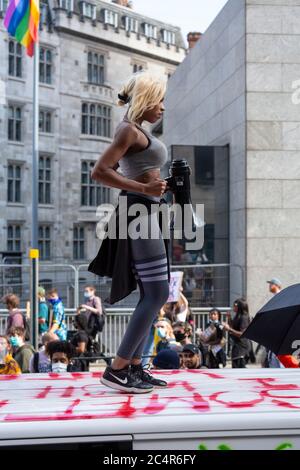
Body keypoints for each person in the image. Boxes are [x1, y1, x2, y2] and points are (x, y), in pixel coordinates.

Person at [89, 72, 170, 393]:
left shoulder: (136, 131)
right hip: (138, 213)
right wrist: (144, 187)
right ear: (145, 100)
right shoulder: (128, 131)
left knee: (155, 293)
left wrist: (159, 187)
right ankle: (118, 369)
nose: (163, 107)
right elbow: (100, 171)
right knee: (157, 293)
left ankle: (134, 367)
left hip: (147, 211)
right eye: (159, 100)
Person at [223, 298, 251, 368]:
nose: (234, 307)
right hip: (237, 345)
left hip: (242, 347)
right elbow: (233, 327)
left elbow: (242, 334)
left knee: (239, 368)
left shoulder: (244, 317)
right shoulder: (238, 316)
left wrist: (229, 329)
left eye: (235, 305)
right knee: (235, 366)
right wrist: (229, 319)